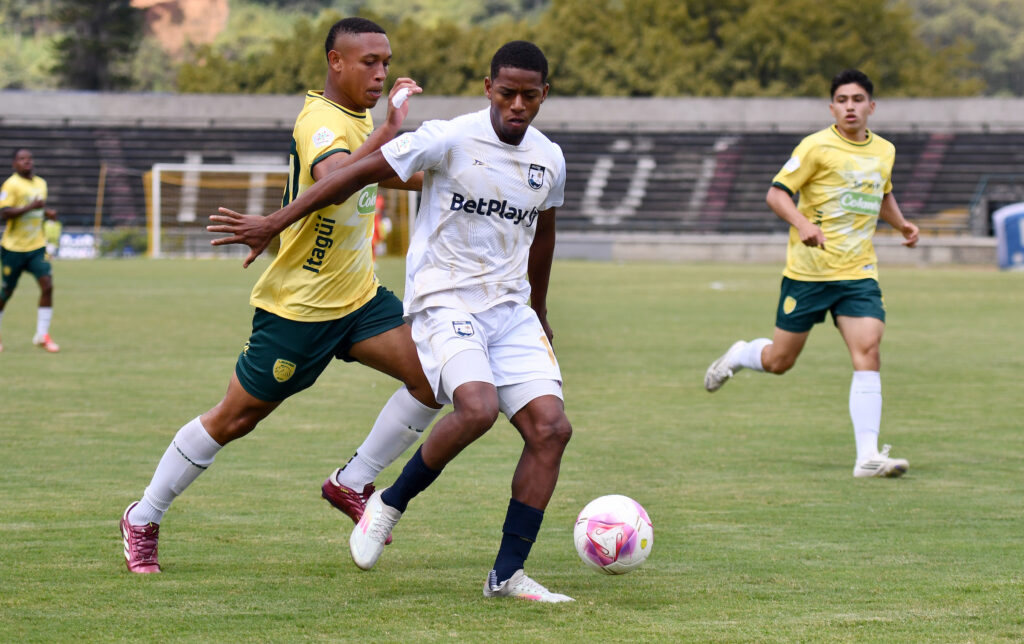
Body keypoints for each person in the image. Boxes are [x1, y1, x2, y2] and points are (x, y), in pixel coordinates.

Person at [209, 41, 574, 602]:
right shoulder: (448, 138)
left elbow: (543, 234)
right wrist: (275, 222)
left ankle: (506, 576)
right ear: (488, 89)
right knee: (476, 408)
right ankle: (388, 502)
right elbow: (353, 174)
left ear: (544, 94)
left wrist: (540, 312)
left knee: (551, 430)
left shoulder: (549, 159)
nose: (517, 105)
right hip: (445, 301)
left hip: (510, 309)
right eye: (507, 93)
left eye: (529, 95)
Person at [120, 17, 443, 574]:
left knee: (434, 376)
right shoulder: (320, 119)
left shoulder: (358, 117)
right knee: (234, 419)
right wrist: (393, 129)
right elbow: (337, 178)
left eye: (386, 63)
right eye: (369, 62)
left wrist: (446, 173)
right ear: (335, 62)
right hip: (300, 307)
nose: (381, 73)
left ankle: (353, 481)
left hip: (359, 299)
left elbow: (378, 172)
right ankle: (143, 515)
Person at [703, 69, 919, 479]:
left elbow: (881, 194)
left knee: (868, 351)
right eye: (843, 100)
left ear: (871, 107)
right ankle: (742, 354)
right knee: (780, 361)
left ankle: (867, 457)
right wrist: (802, 224)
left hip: (857, 274)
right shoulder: (816, 147)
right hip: (808, 274)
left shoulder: (884, 151)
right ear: (832, 107)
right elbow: (776, 194)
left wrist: (902, 224)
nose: (850, 107)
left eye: (858, 100)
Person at [0, 148, 60, 354]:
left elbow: (37, 210)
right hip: (13, 248)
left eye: (29, 158)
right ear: (14, 164)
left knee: (47, 285)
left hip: (37, 246)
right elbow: (4, 213)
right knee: (6, 292)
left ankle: (42, 335)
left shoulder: (41, 183)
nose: (27, 162)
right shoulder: (11, 185)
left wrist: (46, 213)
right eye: (21, 159)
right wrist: (32, 207)